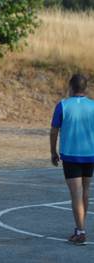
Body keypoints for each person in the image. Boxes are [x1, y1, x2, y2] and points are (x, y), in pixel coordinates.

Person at [50, 73, 94, 245]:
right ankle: (80, 227)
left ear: (70, 87)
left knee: (76, 193)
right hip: (90, 155)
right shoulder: (93, 106)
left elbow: (54, 131)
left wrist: (53, 152)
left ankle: (81, 231)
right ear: (85, 88)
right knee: (85, 191)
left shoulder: (62, 105)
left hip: (71, 155)